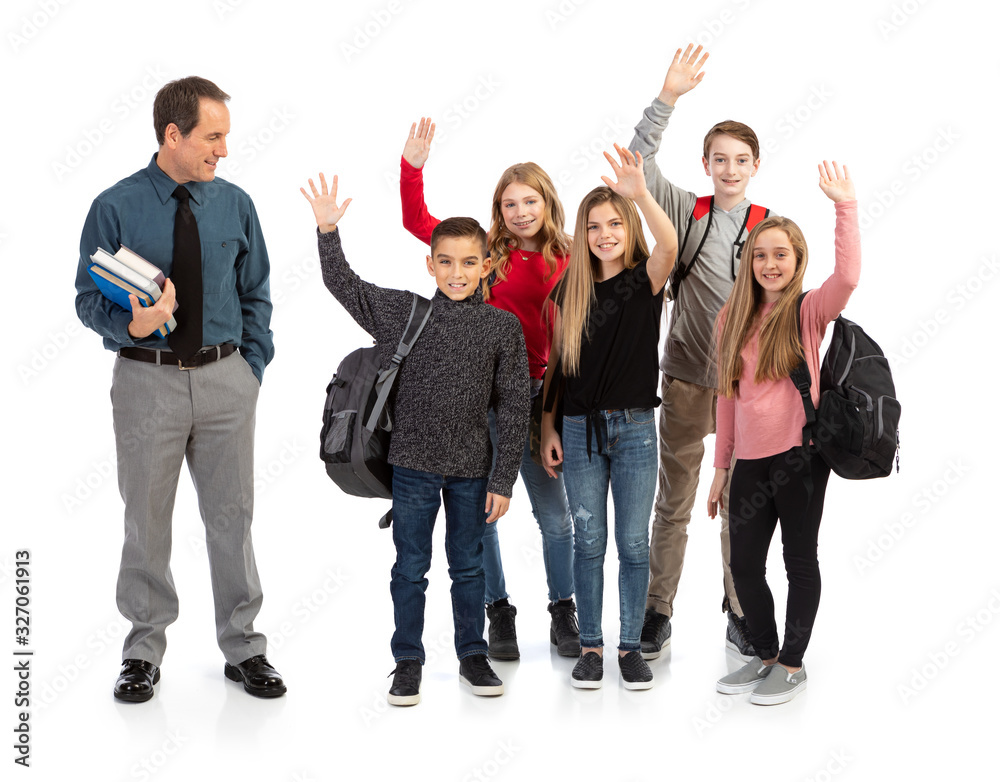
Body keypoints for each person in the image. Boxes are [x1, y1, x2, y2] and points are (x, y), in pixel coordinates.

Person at [74, 76, 285, 701]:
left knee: (232, 517)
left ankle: (244, 647)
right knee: (145, 519)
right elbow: (87, 299)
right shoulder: (115, 206)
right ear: (174, 134)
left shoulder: (236, 203)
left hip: (226, 381)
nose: (223, 150)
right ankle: (143, 651)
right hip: (147, 382)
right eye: (213, 137)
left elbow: (257, 294)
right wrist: (128, 324)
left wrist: (252, 369)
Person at [301, 173, 529, 706]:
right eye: (446, 261)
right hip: (412, 467)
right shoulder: (406, 311)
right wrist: (328, 231)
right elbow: (346, 286)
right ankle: (407, 661)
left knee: (468, 567)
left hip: (473, 471)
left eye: (469, 262)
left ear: (486, 265)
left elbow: (516, 404)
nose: (457, 272)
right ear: (430, 264)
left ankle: (473, 654)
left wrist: (503, 479)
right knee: (410, 567)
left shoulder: (501, 328)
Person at [399, 119, 579, 659]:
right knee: (482, 513)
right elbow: (418, 222)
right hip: (478, 403)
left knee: (554, 514)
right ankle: (497, 609)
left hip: (539, 397)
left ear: (547, 203)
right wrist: (412, 167)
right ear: (498, 212)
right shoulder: (485, 258)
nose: (520, 213)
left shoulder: (571, 257)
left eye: (530, 202)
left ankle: (562, 610)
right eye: (509, 205)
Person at [628, 44, 769, 661]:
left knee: (739, 507)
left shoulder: (770, 227)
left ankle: (740, 610)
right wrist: (667, 98)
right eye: (720, 160)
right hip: (685, 379)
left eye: (741, 160)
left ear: (756, 165)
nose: (730, 169)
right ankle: (658, 609)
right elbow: (637, 163)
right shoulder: (689, 210)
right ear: (705, 163)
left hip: (749, 389)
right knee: (675, 501)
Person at [709, 161, 859, 705]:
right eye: (761, 255)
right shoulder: (730, 317)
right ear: (749, 261)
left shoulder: (807, 312)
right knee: (744, 564)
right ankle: (767, 656)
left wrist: (845, 207)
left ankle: (792, 665)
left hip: (800, 459)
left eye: (781, 255)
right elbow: (726, 398)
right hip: (748, 461)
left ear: (796, 262)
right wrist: (720, 469)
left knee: (799, 561)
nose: (770, 264)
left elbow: (847, 278)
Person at [541, 145, 678, 689]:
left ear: (627, 227)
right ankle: (591, 647)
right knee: (588, 540)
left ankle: (628, 648)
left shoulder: (645, 280)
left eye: (614, 223)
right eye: (594, 226)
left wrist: (638, 192)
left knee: (634, 542)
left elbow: (669, 242)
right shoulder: (568, 292)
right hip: (578, 432)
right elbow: (557, 368)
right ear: (583, 232)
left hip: (636, 430)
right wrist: (549, 424)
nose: (604, 234)